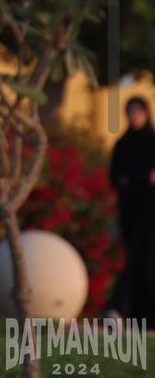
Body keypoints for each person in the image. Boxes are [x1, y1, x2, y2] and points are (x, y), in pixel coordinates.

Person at [104, 96, 155, 328]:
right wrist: (143, 178)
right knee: (135, 258)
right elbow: (116, 177)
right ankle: (127, 311)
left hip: (151, 213)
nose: (135, 116)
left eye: (139, 111)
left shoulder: (152, 142)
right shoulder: (123, 145)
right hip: (130, 212)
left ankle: (137, 313)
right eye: (131, 112)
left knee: (147, 260)